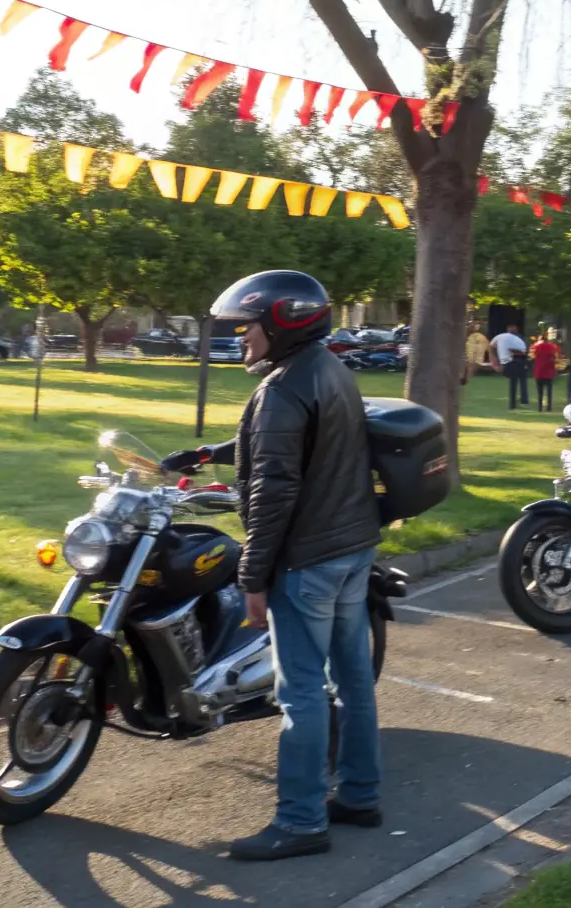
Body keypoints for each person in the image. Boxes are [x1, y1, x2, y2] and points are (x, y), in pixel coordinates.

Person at [160, 271, 383, 861]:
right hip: (352, 547)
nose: (241, 338)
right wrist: (213, 453)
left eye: (247, 326)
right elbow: (295, 441)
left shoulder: (284, 387)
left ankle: (301, 821)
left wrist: (252, 577)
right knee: (353, 677)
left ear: (282, 322)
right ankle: (360, 794)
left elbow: (274, 487)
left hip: (308, 559)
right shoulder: (331, 369)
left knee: (303, 692)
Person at [489, 323, 529, 410]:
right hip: (514, 363)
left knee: (516, 381)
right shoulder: (515, 339)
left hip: (513, 363)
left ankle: (516, 402)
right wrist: (495, 362)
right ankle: (516, 402)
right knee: (517, 381)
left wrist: (495, 362)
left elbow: (492, 347)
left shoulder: (509, 338)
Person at [531, 333, 561, 412]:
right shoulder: (552, 346)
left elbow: (532, 356)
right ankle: (549, 407)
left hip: (539, 370)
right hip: (549, 370)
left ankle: (540, 407)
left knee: (539, 390)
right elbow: (557, 355)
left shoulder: (536, 345)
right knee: (549, 390)